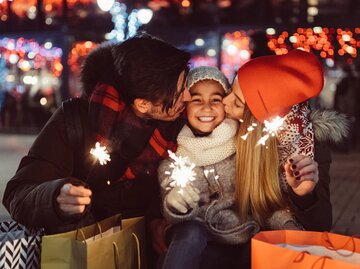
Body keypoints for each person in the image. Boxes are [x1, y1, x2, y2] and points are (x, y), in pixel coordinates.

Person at [2, 32, 191, 268]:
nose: (188, 96)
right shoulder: (75, 119)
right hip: (80, 255)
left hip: (149, 256)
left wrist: (159, 219)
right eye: (180, 90)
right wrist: (56, 196)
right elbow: (18, 194)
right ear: (143, 104)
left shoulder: (183, 128)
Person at [158, 66, 300, 269]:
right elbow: (172, 208)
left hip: (241, 245)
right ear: (185, 106)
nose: (206, 107)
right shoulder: (174, 158)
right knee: (190, 231)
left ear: (225, 104)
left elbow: (264, 204)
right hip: (200, 248)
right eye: (197, 100)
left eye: (215, 99)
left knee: (262, 244)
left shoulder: (244, 147)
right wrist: (175, 203)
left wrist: (287, 225)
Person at [222, 49, 349, 233]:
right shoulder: (227, 131)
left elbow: (321, 226)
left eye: (237, 103)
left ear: (258, 122)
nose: (224, 101)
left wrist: (304, 194)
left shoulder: (311, 148)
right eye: (230, 90)